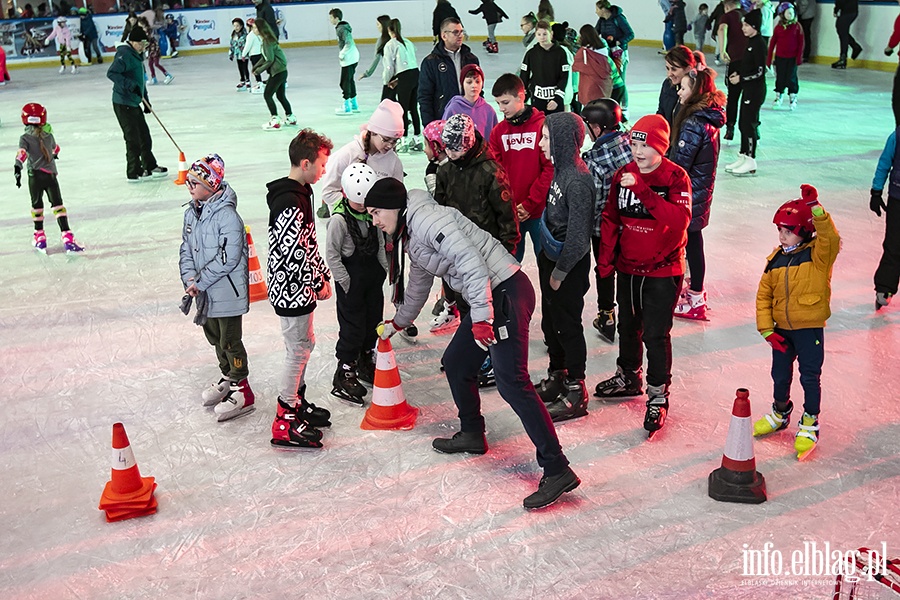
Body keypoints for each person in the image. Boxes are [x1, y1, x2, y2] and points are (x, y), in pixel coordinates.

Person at [366, 178, 581, 510]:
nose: (376, 220)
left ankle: (557, 468)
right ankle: (471, 433)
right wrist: (400, 321)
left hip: (505, 290)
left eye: (377, 212)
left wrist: (481, 318)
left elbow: (470, 262)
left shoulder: (425, 220)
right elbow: (420, 284)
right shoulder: (409, 233)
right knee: (457, 363)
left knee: (512, 382)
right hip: (490, 298)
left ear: (394, 206)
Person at [594, 115, 691, 437]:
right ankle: (628, 376)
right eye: (634, 144)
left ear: (660, 147)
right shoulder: (623, 174)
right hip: (629, 267)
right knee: (628, 326)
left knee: (655, 334)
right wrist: (606, 262)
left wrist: (645, 192)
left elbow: (679, 221)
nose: (637, 151)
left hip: (663, 270)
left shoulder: (675, 178)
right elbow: (610, 217)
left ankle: (658, 395)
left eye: (645, 145)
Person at [753, 185, 840, 461]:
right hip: (782, 331)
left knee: (809, 376)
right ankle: (780, 411)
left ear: (803, 231)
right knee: (780, 374)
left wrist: (816, 207)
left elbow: (831, 239)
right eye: (779, 230)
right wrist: (767, 329)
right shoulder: (775, 260)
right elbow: (763, 295)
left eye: (787, 231)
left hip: (808, 329)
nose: (781, 236)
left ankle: (810, 420)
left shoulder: (818, 256)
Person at [436, 114, 518, 383]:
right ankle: (470, 353)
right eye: (447, 147)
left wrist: (505, 255)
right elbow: (439, 210)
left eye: (455, 147)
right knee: (466, 306)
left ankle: (491, 360)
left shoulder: (491, 172)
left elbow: (508, 219)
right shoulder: (446, 171)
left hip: (488, 256)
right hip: (457, 255)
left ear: (469, 144)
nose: (450, 152)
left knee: (487, 309)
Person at [267, 129, 335, 449]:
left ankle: (297, 402)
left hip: (299, 286)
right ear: (305, 163)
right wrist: (314, 282)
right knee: (298, 349)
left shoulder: (301, 193)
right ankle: (285, 417)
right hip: (290, 287)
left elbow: (309, 242)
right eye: (321, 165)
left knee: (303, 343)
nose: (324, 171)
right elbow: (291, 250)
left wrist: (323, 275)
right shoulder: (289, 201)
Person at [178, 154, 255, 423]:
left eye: (194, 182)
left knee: (230, 340)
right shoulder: (192, 213)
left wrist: (199, 282)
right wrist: (189, 278)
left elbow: (228, 259)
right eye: (187, 181)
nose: (188, 186)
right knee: (213, 337)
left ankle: (241, 388)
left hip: (227, 293)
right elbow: (186, 248)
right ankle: (227, 377)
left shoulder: (228, 217)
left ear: (211, 185)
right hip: (204, 292)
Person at [531, 112, 595, 423]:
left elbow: (579, 238)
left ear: (561, 141)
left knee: (567, 325)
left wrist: (559, 273)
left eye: (545, 138)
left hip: (568, 267)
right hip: (551, 257)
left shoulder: (579, 180)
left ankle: (576, 389)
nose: (540, 143)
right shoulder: (560, 170)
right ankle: (557, 374)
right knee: (551, 322)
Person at [325, 164, 389, 405]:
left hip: (373, 279)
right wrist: (345, 281)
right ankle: (345, 369)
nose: (363, 207)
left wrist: (384, 271)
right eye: (358, 202)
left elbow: (381, 244)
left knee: (373, 321)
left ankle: (365, 359)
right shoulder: (339, 221)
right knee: (353, 326)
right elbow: (332, 255)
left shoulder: (374, 215)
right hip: (351, 281)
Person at [669, 66, 726, 321]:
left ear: (695, 91)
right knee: (693, 242)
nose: (678, 91)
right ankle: (694, 291)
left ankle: (695, 296)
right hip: (699, 192)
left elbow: (680, 165)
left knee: (691, 243)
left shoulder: (694, 122)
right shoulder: (707, 117)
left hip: (690, 194)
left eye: (683, 87)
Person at [581, 98, 631, 344]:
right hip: (631, 224)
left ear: (598, 127)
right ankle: (630, 314)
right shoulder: (632, 143)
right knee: (625, 269)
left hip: (603, 228)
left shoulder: (595, 161)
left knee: (604, 269)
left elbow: (595, 202)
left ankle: (606, 314)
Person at [489, 73, 553, 264]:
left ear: (521, 96)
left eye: (505, 102)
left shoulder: (542, 127)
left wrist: (529, 204)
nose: (501, 109)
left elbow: (549, 169)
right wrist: (508, 205)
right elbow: (495, 172)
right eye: (498, 103)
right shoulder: (498, 132)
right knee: (509, 267)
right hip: (510, 212)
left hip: (539, 211)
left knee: (546, 263)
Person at [14, 103, 84, 254]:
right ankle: (67, 237)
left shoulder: (24, 138)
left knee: (37, 205)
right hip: (50, 175)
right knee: (58, 205)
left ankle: (40, 237)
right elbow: (55, 149)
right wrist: (54, 155)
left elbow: (22, 153)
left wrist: (17, 166)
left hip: (34, 176)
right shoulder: (49, 135)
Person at [320, 99, 405, 215]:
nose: (390, 145)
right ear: (373, 132)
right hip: (347, 223)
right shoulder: (347, 155)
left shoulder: (394, 162)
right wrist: (353, 208)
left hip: (377, 226)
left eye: (395, 141)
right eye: (386, 139)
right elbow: (328, 191)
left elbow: (396, 195)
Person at [106, 26, 167, 183]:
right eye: (140, 43)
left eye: (144, 43)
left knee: (144, 137)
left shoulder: (137, 55)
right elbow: (111, 73)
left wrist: (145, 100)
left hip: (134, 102)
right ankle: (134, 171)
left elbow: (140, 81)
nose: (143, 46)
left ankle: (150, 165)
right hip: (122, 102)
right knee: (132, 138)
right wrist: (128, 85)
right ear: (132, 42)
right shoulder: (124, 54)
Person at [418, 16, 479, 126]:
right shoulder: (431, 62)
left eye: (461, 32)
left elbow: (479, 90)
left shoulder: (471, 59)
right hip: (443, 120)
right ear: (444, 36)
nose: (460, 35)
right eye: (455, 32)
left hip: (469, 119)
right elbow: (425, 96)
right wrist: (429, 125)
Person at [726, 9, 766, 176]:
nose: (743, 28)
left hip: (755, 91)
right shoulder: (750, 41)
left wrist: (741, 78)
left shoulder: (759, 44)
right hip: (748, 90)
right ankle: (743, 155)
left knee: (749, 125)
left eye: (746, 25)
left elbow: (759, 71)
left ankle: (750, 159)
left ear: (754, 26)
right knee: (743, 123)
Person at [870, 129, 900, 310]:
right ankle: (885, 287)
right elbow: (884, 163)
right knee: (893, 244)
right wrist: (876, 191)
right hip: (898, 200)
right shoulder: (896, 137)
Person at [383, 18, 423, 152]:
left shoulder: (390, 45)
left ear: (389, 30)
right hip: (415, 75)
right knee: (413, 108)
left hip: (405, 77)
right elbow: (409, 65)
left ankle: (404, 141)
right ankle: (418, 140)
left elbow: (389, 67)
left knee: (403, 110)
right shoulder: (408, 42)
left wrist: (387, 80)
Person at [253, 20, 296, 131]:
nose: (253, 30)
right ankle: (291, 117)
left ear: (260, 29)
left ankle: (275, 120)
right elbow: (265, 56)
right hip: (281, 71)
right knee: (280, 96)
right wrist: (255, 67)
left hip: (277, 72)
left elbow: (270, 60)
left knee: (267, 95)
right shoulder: (267, 40)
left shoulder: (267, 41)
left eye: (255, 28)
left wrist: (259, 71)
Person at [520, 20, 569, 115]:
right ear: (535, 35)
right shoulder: (531, 53)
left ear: (551, 33)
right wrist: (523, 96)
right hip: (537, 99)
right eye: (539, 34)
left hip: (555, 100)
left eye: (545, 34)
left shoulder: (560, 52)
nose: (542, 37)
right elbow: (524, 74)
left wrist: (557, 98)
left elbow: (564, 76)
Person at [595, 0, 634, 116]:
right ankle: (613, 104)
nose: (596, 12)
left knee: (621, 80)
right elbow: (595, 33)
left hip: (619, 53)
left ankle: (624, 107)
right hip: (608, 53)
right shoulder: (601, 21)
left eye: (597, 9)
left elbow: (630, 34)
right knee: (612, 80)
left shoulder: (619, 19)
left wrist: (619, 42)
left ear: (603, 9)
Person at [443, 64, 498, 141]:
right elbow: (444, 136)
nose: (474, 85)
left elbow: (495, 139)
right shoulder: (453, 109)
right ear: (462, 84)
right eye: (469, 82)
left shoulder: (489, 111)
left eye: (477, 81)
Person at [767, 2, 804, 111]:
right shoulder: (778, 28)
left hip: (792, 58)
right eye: (788, 13)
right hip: (780, 57)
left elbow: (801, 43)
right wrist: (768, 60)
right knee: (780, 77)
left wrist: (799, 57)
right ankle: (779, 96)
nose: (790, 15)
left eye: (792, 13)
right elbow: (772, 43)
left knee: (791, 77)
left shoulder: (797, 27)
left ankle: (793, 97)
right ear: (782, 14)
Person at [657, 45, 701, 126]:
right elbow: (661, 113)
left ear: (688, 69)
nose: (669, 74)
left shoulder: (697, 90)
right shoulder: (667, 84)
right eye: (667, 68)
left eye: (674, 69)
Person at [329, 8, 360, 116]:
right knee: (350, 80)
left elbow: (349, 42)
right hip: (353, 57)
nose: (330, 20)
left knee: (344, 82)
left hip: (349, 57)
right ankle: (354, 104)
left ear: (336, 18)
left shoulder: (341, 29)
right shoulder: (341, 27)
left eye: (331, 18)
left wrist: (342, 54)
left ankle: (347, 107)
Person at [573, 25, 613, 106]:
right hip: (603, 85)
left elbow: (575, 66)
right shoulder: (603, 49)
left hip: (589, 85)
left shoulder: (584, 52)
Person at [358, 15, 394, 102]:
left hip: (391, 76)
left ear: (384, 25)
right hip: (403, 74)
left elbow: (376, 59)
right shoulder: (396, 38)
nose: (377, 27)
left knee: (386, 101)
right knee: (393, 101)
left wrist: (367, 73)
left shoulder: (382, 41)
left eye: (378, 24)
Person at [139, 16, 172, 86]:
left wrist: (144, 45)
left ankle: (168, 75)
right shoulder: (143, 32)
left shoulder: (148, 31)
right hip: (150, 49)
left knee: (156, 63)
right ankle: (154, 78)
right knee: (150, 64)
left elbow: (148, 40)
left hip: (155, 49)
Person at [832, 0, 862, 69]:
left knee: (842, 33)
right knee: (842, 30)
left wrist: (836, 9)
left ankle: (843, 58)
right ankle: (854, 46)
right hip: (851, 10)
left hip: (847, 10)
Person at [422, 119, 448, 196]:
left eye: (426, 145)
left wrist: (431, 175)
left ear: (435, 146)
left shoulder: (437, 170)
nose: (424, 150)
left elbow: (436, 197)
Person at [242, 19, 264, 93]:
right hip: (261, 54)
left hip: (254, 55)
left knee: (255, 70)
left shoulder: (250, 35)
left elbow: (248, 46)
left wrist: (243, 54)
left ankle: (259, 83)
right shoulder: (259, 33)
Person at [229, 18, 250, 90]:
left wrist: (246, 53)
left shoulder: (245, 35)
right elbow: (232, 44)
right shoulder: (233, 35)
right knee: (240, 68)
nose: (236, 28)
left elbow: (247, 45)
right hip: (238, 54)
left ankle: (247, 81)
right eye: (234, 26)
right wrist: (231, 54)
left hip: (244, 55)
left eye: (237, 26)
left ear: (241, 26)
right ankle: (242, 80)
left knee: (245, 68)